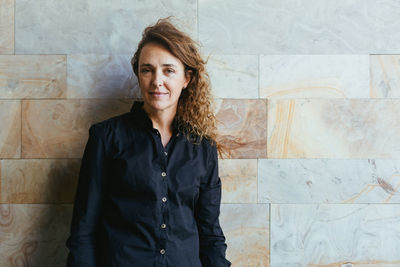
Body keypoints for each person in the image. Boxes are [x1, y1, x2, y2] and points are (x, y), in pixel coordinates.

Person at [65, 17, 231, 267]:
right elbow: (83, 231)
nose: (157, 81)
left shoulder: (202, 148)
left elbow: (210, 233)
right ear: (138, 75)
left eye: (168, 70)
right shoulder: (106, 137)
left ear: (186, 79)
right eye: (147, 69)